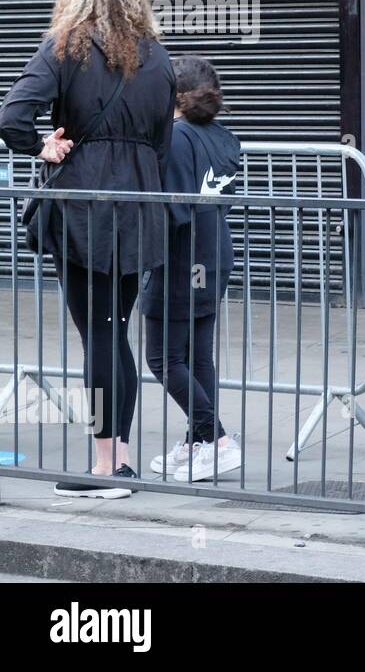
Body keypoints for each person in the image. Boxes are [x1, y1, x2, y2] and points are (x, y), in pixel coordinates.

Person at [0, 0, 175, 498]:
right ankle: (118, 459)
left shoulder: (64, 47)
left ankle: (106, 468)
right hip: (141, 206)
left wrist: (41, 148)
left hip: (84, 207)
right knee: (113, 333)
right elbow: (163, 146)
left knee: (98, 337)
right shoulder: (158, 56)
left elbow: (11, 115)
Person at [139, 55, 243, 483]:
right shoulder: (223, 137)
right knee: (198, 357)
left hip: (182, 260)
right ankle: (201, 442)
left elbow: (173, 209)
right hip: (212, 255)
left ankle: (217, 440)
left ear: (173, 96)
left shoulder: (178, 138)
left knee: (162, 357)